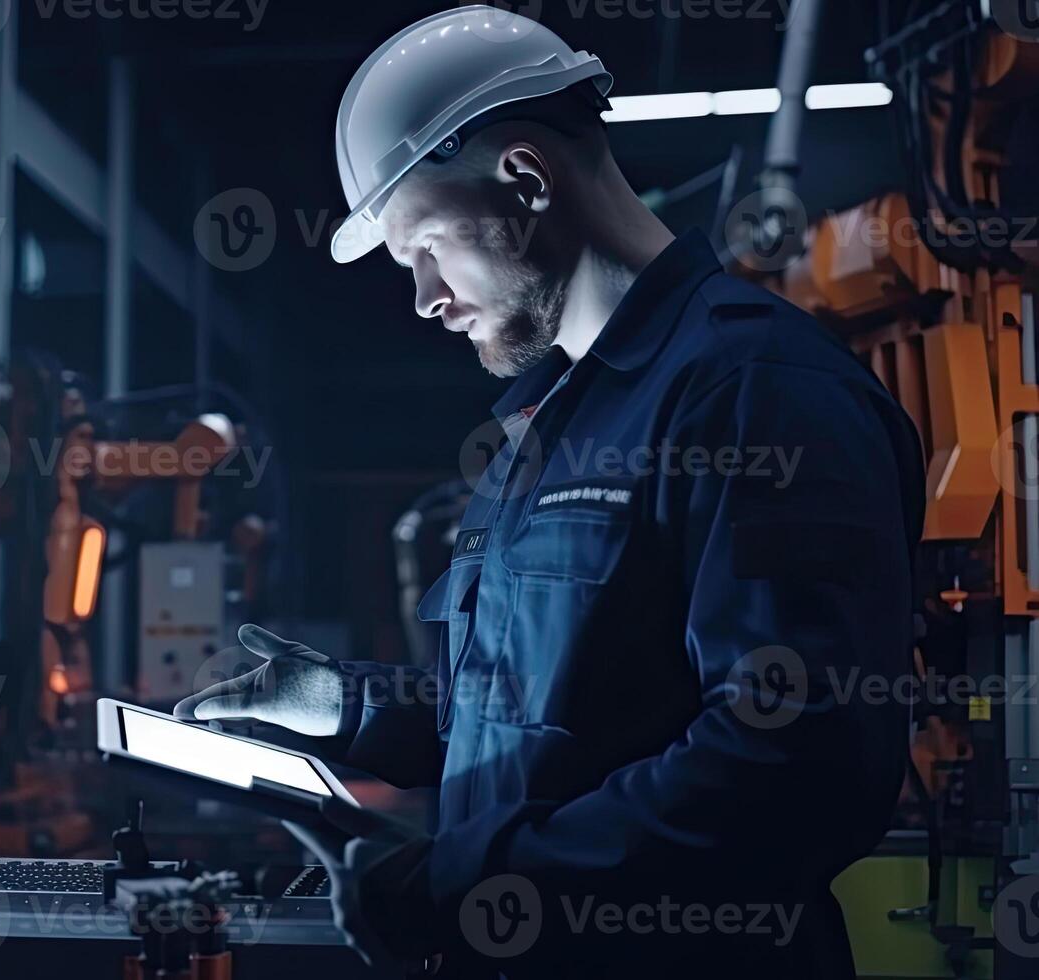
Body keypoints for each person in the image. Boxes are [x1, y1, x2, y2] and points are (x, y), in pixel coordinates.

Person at [176, 7, 925, 977]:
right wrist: (352, 710)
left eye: (426, 249)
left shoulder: (757, 394)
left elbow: (792, 766)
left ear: (526, 178)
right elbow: (542, 705)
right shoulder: (551, 424)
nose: (426, 298)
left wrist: (465, 884)